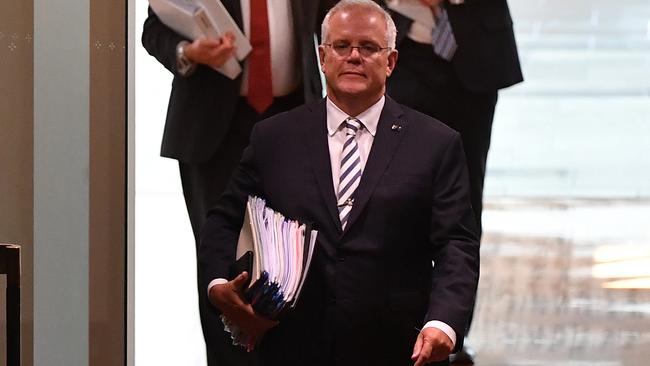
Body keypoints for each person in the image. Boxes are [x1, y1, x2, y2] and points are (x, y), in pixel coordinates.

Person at [199, 1, 480, 365]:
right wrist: (219, 284)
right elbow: (224, 218)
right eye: (341, 46)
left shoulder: (436, 144)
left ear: (391, 61)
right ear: (322, 56)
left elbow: (456, 244)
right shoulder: (274, 137)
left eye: (368, 47)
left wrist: (444, 321)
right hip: (292, 344)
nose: (354, 57)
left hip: (397, 347)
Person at [141, 1, 336, 364]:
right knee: (220, 258)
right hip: (215, 133)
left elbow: (336, 17)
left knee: (294, 253)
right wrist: (189, 53)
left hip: (292, 119)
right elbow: (154, 30)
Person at [383, 0, 524, 362]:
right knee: (395, 197)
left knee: (463, 203)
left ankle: (451, 330)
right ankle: (403, 327)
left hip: (473, 53)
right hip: (400, 51)